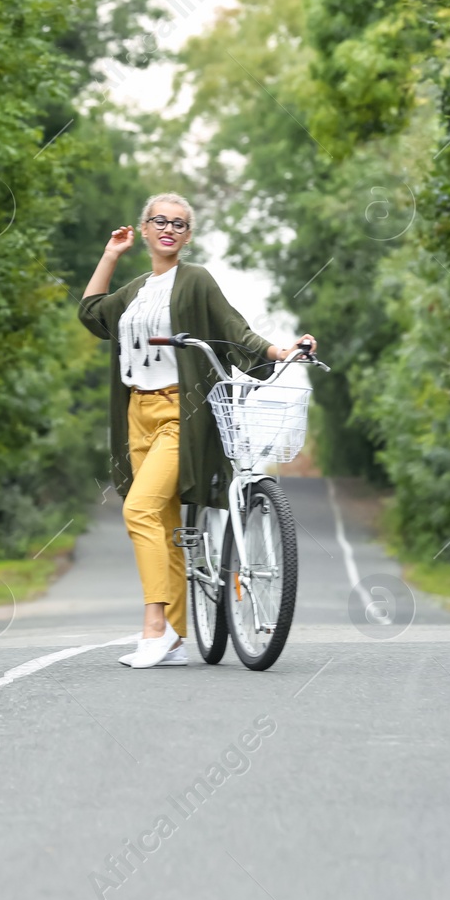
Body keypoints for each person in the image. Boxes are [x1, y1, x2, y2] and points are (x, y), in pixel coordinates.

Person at [78, 193, 316, 668]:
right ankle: (175, 637)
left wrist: (278, 352)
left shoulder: (195, 281)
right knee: (161, 525)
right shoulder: (136, 289)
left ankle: (154, 628)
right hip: (136, 416)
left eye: (180, 224)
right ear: (143, 228)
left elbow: (234, 331)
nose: (169, 229)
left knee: (139, 511)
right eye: (160, 221)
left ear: (188, 236)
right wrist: (110, 254)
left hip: (178, 415)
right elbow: (91, 313)